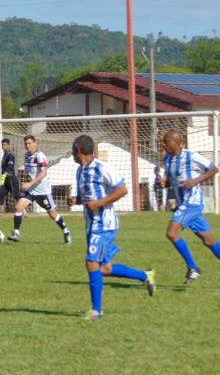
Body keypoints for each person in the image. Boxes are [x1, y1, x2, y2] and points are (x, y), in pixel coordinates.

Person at [69, 135, 155, 320]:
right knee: (104, 269)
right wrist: (76, 200)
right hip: (91, 224)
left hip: (104, 224)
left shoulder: (101, 168)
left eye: (72, 150)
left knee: (91, 263)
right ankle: (145, 275)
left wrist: (100, 203)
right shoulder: (79, 171)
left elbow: (122, 189)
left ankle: (96, 310)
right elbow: (88, 197)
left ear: (78, 150)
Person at [161, 130, 220, 287]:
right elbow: (172, 179)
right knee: (208, 240)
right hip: (182, 203)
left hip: (191, 202)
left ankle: (193, 267)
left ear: (177, 143)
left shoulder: (191, 156)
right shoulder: (167, 158)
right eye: (163, 141)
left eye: (167, 141)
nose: (163, 144)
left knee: (172, 232)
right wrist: (165, 184)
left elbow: (213, 169)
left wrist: (196, 180)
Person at [8, 135, 71, 244]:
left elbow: (43, 173)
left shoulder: (40, 156)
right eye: (26, 144)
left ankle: (66, 231)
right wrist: (26, 182)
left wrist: (30, 183)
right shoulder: (26, 155)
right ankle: (16, 233)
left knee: (52, 214)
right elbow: (30, 172)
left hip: (42, 191)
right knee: (18, 207)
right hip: (31, 190)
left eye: (29, 143)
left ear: (35, 143)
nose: (27, 146)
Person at [0, 138, 19, 218]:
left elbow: (10, 167)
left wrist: (4, 176)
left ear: (8, 145)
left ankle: (24, 212)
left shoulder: (10, 154)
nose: (3, 146)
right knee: (1, 194)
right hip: (5, 178)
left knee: (16, 196)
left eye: (4, 145)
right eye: (2, 145)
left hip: (11, 178)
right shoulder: (5, 154)